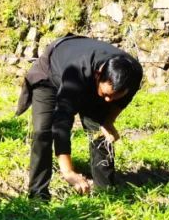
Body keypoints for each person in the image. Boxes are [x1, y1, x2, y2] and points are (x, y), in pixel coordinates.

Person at [15, 34, 143, 199]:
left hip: (88, 77)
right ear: (98, 75)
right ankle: (38, 194)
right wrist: (68, 171)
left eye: (113, 96)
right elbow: (62, 122)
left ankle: (105, 192)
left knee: (99, 130)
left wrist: (108, 121)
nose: (108, 101)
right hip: (50, 74)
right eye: (105, 95)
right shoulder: (76, 73)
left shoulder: (133, 73)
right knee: (42, 131)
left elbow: (122, 100)